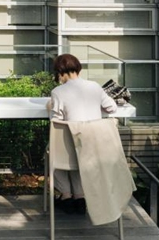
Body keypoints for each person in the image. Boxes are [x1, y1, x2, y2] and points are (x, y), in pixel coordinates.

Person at [47, 53, 117, 215]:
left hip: (69, 151)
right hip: (94, 150)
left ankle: (66, 196)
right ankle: (80, 197)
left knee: (54, 152)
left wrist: (50, 108)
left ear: (60, 72)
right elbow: (112, 108)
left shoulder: (58, 91)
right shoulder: (94, 86)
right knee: (78, 155)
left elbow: (55, 121)